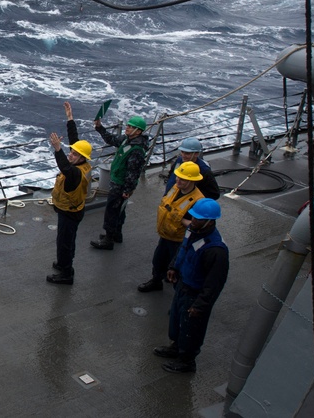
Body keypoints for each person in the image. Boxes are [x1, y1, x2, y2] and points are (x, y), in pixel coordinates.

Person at [155, 198, 229, 373]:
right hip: (183, 285)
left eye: (198, 219)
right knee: (176, 321)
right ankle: (176, 347)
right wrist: (174, 266)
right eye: (193, 217)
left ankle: (187, 361)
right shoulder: (191, 231)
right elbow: (183, 249)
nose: (193, 220)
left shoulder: (216, 250)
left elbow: (215, 283)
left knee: (192, 329)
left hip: (195, 293)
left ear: (209, 222)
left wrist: (200, 306)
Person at [137, 161, 205, 292]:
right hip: (165, 234)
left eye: (183, 179)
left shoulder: (198, 201)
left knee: (177, 267)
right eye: (178, 177)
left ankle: (178, 293)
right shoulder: (175, 187)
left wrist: (180, 220)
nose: (178, 180)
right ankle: (156, 281)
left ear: (192, 181)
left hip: (179, 240)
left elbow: (196, 225)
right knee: (158, 260)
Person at [46, 102, 93, 285]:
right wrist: (70, 118)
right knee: (65, 240)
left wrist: (58, 149)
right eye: (71, 152)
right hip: (71, 209)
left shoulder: (74, 173)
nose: (71, 154)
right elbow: (75, 141)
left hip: (69, 212)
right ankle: (63, 264)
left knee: (65, 243)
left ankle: (66, 273)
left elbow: (64, 166)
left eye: (74, 154)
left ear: (81, 158)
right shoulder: (82, 163)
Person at [91, 115, 149, 250]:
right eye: (128, 125)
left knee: (112, 210)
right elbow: (111, 139)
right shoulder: (126, 141)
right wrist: (99, 127)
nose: (127, 128)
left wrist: (127, 190)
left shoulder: (137, 149)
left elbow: (132, 172)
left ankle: (108, 239)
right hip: (118, 181)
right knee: (119, 210)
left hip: (121, 185)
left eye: (131, 127)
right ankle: (116, 234)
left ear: (138, 131)